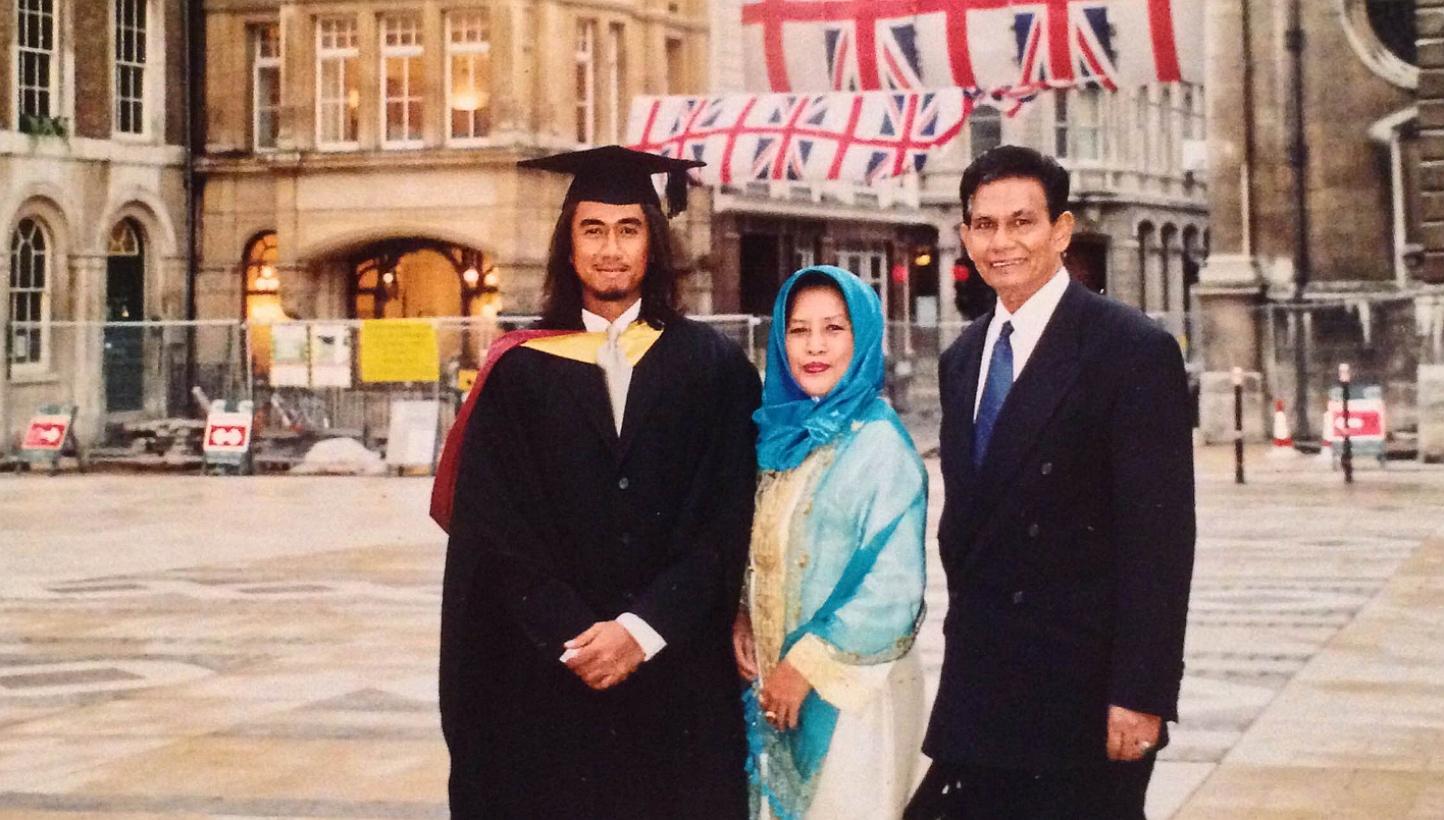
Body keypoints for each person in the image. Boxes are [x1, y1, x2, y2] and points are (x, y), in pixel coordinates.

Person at [435, 146, 761, 819]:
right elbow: (492, 528)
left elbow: (729, 520)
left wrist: (641, 630)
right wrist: (575, 635)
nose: (610, 250)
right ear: (568, 244)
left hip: (673, 678)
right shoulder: (518, 372)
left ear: (652, 241)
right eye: (593, 230)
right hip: (547, 680)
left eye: (628, 229)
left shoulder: (714, 370)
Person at [907, 145, 1196, 819]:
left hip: (1085, 701)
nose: (1002, 242)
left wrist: (1142, 694)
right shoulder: (962, 359)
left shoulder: (1132, 351)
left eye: (1022, 222)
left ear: (1061, 232)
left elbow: (1160, 543)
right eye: (984, 224)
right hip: (979, 697)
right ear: (965, 234)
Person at [734, 265, 928, 820]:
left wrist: (805, 667)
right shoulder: (776, 439)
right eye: (798, 330)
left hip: (854, 699)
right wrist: (741, 614)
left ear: (862, 337)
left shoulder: (881, 448)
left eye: (834, 329)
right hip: (773, 693)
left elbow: (893, 591)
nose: (814, 347)